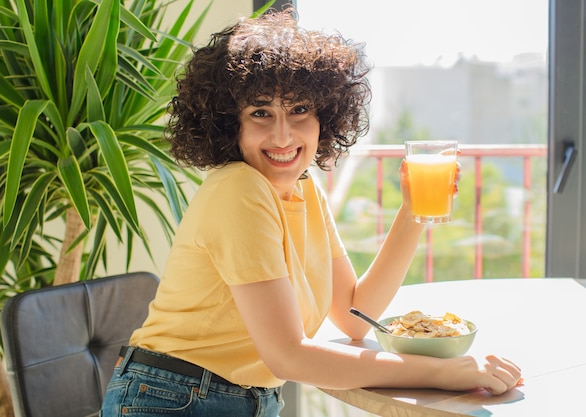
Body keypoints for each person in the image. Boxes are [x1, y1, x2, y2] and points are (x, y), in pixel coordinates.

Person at [100, 8, 521, 417]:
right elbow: (289, 357)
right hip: (171, 397)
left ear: (326, 116)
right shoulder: (238, 189)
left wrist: (412, 210)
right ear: (231, 124)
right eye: (260, 113)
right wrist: (442, 373)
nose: (282, 135)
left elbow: (355, 315)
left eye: (299, 109)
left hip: (232, 398)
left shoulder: (304, 188)